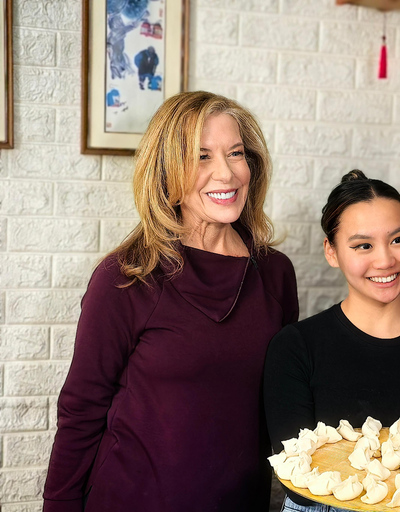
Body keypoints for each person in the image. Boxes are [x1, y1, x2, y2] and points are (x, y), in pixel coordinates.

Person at [43, 91, 298, 512]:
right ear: (166, 171)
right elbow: (81, 411)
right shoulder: (125, 278)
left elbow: (282, 400)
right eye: (201, 156)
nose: (226, 174)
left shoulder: (275, 274)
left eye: (235, 153)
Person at [264, 170, 400, 511]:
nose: (385, 260)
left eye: (398, 239)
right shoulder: (295, 348)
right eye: (363, 245)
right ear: (331, 252)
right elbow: (296, 476)